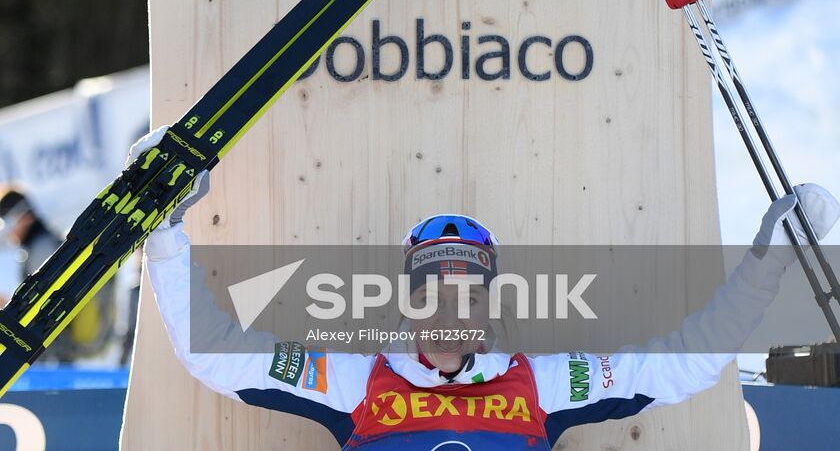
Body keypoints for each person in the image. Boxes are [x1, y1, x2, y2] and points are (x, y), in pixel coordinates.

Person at [137, 128, 839, 447]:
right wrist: (164, 236)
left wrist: (768, 257)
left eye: (467, 292)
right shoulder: (352, 382)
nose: (450, 308)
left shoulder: (545, 384)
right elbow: (214, 353)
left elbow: (689, 360)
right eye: (432, 291)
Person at [0, 183, 117, 361]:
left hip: (63, 350)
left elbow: (43, 305)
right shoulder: (42, 245)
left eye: (7, 222)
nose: (7, 232)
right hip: (69, 348)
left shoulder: (42, 248)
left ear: (25, 217)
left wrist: (9, 310)